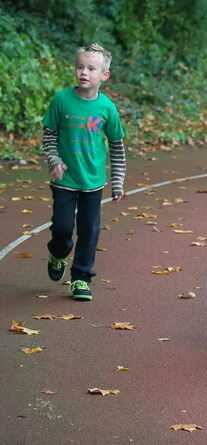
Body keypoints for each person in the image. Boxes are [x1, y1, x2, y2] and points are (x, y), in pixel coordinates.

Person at [42, 43, 126, 302]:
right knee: (63, 229)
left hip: (93, 182)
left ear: (104, 75)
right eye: (80, 67)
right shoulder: (61, 100)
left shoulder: (107, 108)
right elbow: (49, 137)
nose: (84, 72)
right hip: (64, 181)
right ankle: (58, 253)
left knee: (89, 231)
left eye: (91, 68)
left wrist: (118, 181)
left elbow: (116, 146)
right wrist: (54, 161)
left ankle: (81, 277)